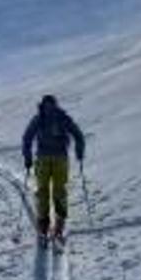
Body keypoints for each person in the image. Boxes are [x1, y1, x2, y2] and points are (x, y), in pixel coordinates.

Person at [21, 94, 85, 238]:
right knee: (60, 190)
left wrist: (28, 157)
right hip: (61, 159)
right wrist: (79, 152)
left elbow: (27, 138)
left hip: (43, 159)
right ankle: (59, 226)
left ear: (42, 104)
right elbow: (78, 135)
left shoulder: (39, 118)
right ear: (56, 104)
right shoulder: (63, 117)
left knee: (42, 191)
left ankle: (43, 225)